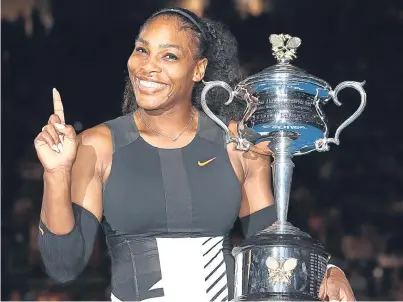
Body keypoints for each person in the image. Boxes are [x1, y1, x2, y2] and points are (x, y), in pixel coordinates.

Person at [34, 7, 355, 302]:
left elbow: (271, 238)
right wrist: (56, 173)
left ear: (198, 69)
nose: (148, 66)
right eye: (142, 49)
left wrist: (328, 271)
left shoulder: (238, 143)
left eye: (169, 55)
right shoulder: (98, 145)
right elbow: (64, 265)